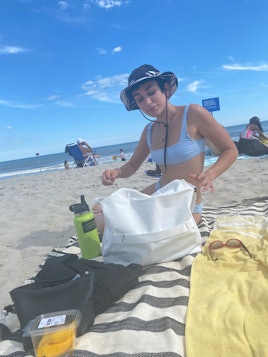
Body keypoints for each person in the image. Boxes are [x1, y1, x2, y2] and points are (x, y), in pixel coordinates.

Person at [94, 64, 238, 229]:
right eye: (140, 98)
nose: (147, 102)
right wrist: (116, 173)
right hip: (160, 191)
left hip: (187, 203)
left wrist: (210, 174)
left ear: (166, 88)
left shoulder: (193, 114)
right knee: (102, 220)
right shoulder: (149, 131)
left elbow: (231, 150)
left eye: (151, 92)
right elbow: (132, 165)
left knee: (141, 232)